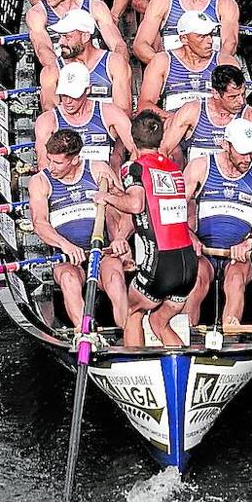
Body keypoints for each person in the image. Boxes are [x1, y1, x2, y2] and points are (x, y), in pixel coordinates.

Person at [95, 111, 205, 348]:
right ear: (161, 139)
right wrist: (119, 195)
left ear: (132, 142)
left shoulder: (133, 168)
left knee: (132, 313)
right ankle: (178, 369)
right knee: (159, 321)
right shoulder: (174, 170)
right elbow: (153, 202)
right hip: (188, 265)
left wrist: (106, 197)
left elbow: (136, 204)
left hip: (161, 264)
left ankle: (137, 363)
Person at [27, 129, 131, 331]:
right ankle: (85, 334)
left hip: (103, 252)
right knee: (69, 280)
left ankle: (128, 335)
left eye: (57, 163)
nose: (51, 167)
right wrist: (65, 245)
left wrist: (120, 237)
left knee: (116, 279)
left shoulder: (98, 170)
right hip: (67, 259)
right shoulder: (40, 181)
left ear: (75, 160)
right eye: (49, 160)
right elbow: (39, 223)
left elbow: (127, 208)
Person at [182, 118, 252, 328]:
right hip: (204, 253)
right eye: (243, 152)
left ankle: (230, 333)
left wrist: (249, 241)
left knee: (235, 281)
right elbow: (174, 209)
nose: (248, 158)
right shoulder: (200, 167)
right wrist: (189, 236)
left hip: (239, 256)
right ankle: (185, 336)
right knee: (197, 280)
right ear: (226, 146)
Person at [24, 0, 127, 69]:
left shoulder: (96, 7)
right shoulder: (36, 14)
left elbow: (117, 44)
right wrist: (67, 75)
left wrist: (118, 69)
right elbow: (43, 49)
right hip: (60, 71)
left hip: (96, 67)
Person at [136, 10, 240, 119]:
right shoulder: (163, 61)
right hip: (174, 125)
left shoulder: (225, 62)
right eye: (202, 36)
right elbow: (144, 105)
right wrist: (176, 120)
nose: (210, 41)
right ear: (184, 39)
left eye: (210, 34)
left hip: (214, 125)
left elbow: (238, 105)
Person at [34, 62, 135, 168]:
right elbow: (43, 163)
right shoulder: (48, 121)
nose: (68, 101)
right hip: (64, 181)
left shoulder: (110, 113)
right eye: (64, 95)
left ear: (87, 90)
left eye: (73, 95)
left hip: (104, 178)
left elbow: (137, 150)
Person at [160, 64, 252, 162]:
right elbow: (165, 148)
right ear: (216, 94)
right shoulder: (192, 111)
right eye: (233, 97)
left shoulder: (251, 116)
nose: (241, 101)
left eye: (243, 94)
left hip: (235, 177)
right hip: (197, 176)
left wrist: (232, 153)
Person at [39, 8, 132, 113]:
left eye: (67, 37)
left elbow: (123, 111)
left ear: (85, 37)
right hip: (68, 128)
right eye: (60, 36)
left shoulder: (114, 64)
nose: (61, 42)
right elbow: (50, 111)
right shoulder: (52, 70)